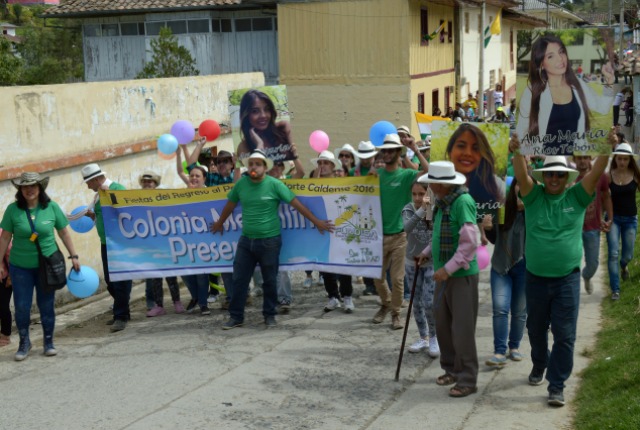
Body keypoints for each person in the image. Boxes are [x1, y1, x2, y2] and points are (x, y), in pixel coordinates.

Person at [510, 130, 611, 407]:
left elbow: (596, 172)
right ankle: (539, 363)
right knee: (535, 330)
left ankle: (557, 385)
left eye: (559, 174)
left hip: (567, 279)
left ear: (567, 178)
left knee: (565, 336)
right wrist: (517, 150)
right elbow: (521, 175)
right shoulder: (533, 196)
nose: (554, 178)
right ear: (544, 177)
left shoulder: (577, 196)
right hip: (535, 279)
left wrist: (607, 148)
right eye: (550, 174)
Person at [211, 149, 334, 329]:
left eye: (257, 164)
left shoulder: (275, 185)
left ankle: (269, 316)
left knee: (270, 281)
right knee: (239, 280)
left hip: (270, 241)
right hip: (246, 241)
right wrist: (219, 223)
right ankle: (236, 317)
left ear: (265, 167)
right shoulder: (241, 184)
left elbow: (297, 205)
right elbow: (230, 205)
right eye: (251, 164)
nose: (254, 167)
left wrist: (317, 222)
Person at [0, 172, 81, 361]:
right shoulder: (13, 210)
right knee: (22, 306)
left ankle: (48, 342)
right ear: (20, 190)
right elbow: (5, 238)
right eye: (25, 186)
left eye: (33, 186)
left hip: (47, 266)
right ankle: (24, 342)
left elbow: (64, 233)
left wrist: (74, 256)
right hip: (20, 267)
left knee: (46, 305)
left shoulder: (51, 207)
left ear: (40, 188)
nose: (29, 190)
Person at [416, 161, 479, 398]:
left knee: (462, 329)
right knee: (443, 324)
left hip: (460, 276)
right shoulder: (443, 204)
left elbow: (469, 242)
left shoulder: (462, 202)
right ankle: (451, 369)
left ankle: (468, 379)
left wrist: (448, 269)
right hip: (443, 274)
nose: (430, 186)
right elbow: (438, 234)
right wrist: (426, 252)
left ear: (442, 184)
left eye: (432, 183)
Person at [516, 34, 615, 156]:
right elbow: (521, 132)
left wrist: (610, 81)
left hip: (571, 160)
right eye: (551, 56)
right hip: (542, 160)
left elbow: (603, 107)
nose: (560, 59)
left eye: (561, 52)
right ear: (541, 64)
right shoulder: (532, 92)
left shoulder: (578, 85)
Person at [369, 134, 429, 330]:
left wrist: (415, 149)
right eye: (384, 150)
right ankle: (386, 303)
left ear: (398, 152)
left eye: (391, 150)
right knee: (377, 278)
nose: (387, 153)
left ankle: (395, 313)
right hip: (378, 235)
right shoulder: (377, 175)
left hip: (401, 236)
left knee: (397, 279)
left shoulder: (406, 175)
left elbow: (429, 172)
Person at [81, 163, 133, 332]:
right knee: (110, 281)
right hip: (106, 242)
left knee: (120, 281)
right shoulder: (98, 195)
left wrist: (109, 194)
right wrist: (94, 216)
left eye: (88, 183)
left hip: (119, 243)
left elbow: (125, 212)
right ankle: (123, 311)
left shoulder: (116, 189)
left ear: (96, 179)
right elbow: (105, 216)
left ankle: (121, 316)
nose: (88, 186)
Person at [482, 177, 527, 367]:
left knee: (519, 311)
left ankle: (514, 346)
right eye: (519, 184)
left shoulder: (535, 210)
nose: (521, 188)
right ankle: (499, 351)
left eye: (526, 185)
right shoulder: (501, 209)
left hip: (525, 266)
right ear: (513, 187)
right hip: (501, 266)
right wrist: (488, 229)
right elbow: (495, 239)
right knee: (500, 308)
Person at [310, 151, 356, 313]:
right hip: (322, 229)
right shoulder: (313, 184)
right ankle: (333, 297)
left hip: (340, 228)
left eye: (325, 163)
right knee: (325, 264)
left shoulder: (341, 183)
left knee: (343, 264)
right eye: (319, 163)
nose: (322, 166)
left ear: (332, 166)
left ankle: (347, 296)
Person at [138, 170, 185, 316]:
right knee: (155, 276)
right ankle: (159, 306)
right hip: (150, 243)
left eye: (150, 181)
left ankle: (177, 302)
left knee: (171, 274)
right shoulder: (136, 199)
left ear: (155, 184)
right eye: (145, 181)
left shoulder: (163, 197)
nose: (147, 184)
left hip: (165, 241)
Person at [402, 181, 439, 357]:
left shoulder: (435, 210)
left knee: (428, 302)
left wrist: (428, 209)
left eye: (421, 194)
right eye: (414, 194)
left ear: (428, 194)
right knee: (416, 302)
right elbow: (406, 228)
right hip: (412, 263)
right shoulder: (408, 209)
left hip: (430, 263)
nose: (417, 198)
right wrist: (421, 210)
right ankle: (423, 336)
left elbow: (436, 236)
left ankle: (434, 336)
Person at [445, 123, 503, 226]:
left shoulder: (495, 184)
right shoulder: (437, 184)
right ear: (450, 152)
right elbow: (429, 219)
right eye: (461, 146)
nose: (468, 153)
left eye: (476, 148)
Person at [572, 154, 613, 295]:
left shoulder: (599, 177)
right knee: (572, 263)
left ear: (590, 158)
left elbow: (606, 196)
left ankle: (586, 276)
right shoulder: (568, 178)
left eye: (585, 157)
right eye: (579, 158)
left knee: (593, 264)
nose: (582, 161)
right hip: (573, 229)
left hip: (593, 227)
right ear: (574, 159)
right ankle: (572, 290)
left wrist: (610, 218)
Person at [606, 142, 639, 300]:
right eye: (619, 159)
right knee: (613, 253)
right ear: (615, 159)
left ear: (630, 160)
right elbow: (602, 195)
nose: (622, 162)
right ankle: (615, 290)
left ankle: (624, 266)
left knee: (628, 255)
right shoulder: (609, 175)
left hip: (631, 220)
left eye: (625, 159)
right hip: (613, 219)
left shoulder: (635, 175)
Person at [235, 89, 295, 162]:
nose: (263, 115)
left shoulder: (282, 130)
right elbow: (255, 169)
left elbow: (297, 159)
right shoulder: (243, 147)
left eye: (267, 109)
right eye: (255, 111)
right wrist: (259, 145)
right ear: (246, 115)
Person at [0, 228, 12, 347]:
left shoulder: (1, 233)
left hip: (3, 278)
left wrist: (11, 276)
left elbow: (10, 254)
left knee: (3, 307)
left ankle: (5, 334)